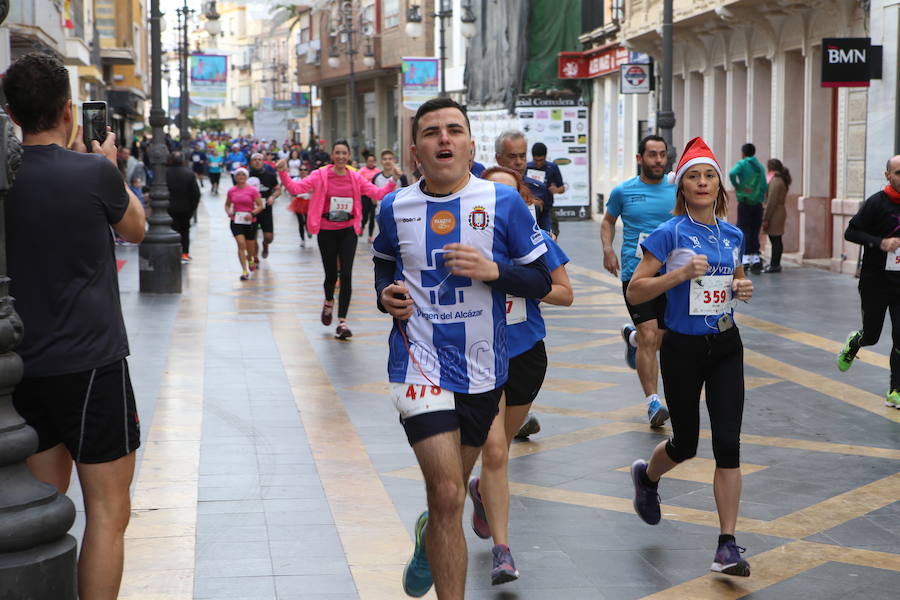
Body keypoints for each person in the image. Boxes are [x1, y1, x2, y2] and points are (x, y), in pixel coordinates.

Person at [373, 97, 551, 599]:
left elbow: (543, 279)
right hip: (418, 364)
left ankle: (430, 534)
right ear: (416, 151)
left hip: (482, 369)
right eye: (432, 132)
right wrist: (385, 297)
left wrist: (497, 271)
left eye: (454, 130)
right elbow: (384, 264)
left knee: (448, 500)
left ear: (471, 145)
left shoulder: (504, 203)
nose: (444, 139)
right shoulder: (394, 206)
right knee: (449, 492)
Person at [4, 51, 146, 600]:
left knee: (41, 507)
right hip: (93, 366)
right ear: (69, 110)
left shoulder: (6, 179)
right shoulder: (94, 173)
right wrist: (107, 163)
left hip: (23, 368)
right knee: (108, 512)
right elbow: (135, 229)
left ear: (12, 114)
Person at [627, 137, 754, 578]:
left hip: (725, 346)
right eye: (694, 177)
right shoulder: (669, 233)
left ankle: (727, 544)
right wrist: (679, 274)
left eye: (709, 176)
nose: (702, 183)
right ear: (682, 187)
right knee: (686, 443)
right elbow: (636, 289)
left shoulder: (733, 234)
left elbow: (736, 280)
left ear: (720, 185)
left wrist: (742, 288)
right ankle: (648, 477)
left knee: (728, 445)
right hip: (681, 349)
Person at [467, 165, 573, 585]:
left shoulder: (539, 243)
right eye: (493, 194)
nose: (502, 202)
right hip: (481, 356)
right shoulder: (469, 244)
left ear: (525, 202)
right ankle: (503, 551)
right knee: (494, 451)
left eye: (511, 195)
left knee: (502, 448)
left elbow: (566, 294)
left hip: (527, 355)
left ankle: (481, 492)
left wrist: (517, 279)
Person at [277, 140, 398, 339]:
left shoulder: (355, 177)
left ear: (349, 156)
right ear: (332, 156)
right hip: (326, 230)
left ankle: (342, 322)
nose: (341, 157)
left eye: (344, 153)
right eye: (337, 153)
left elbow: (377, 193)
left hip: (348, 230)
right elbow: (295, 189)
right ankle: (328, 301)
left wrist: (393, 180)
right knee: (331, 275)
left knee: (347, 275)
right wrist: (282, 172)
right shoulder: (320, 175)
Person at [601, 135, 675, 427]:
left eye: (662, 155)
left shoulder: (676, 189)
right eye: (652, 155)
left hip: (672, 274)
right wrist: (607, 249)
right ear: (639, 158)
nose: (658, 160)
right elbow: (608, 221)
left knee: (661, 337)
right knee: (649, 336)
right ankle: (653, 403)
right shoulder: (624, 191)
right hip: (636, 274)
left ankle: (632, 338)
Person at [837, 155, 900, 408]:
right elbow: (851, 231)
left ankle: (895, 389)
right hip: (875, 282)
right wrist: (881, 243)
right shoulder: (876, 203)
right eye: (898, 173)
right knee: (872, 336)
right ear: (888, 175)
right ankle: (856, 341)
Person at [494, 130, 554, 235]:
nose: (519, 162)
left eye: (522, 156)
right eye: (512, 156)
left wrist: (549, 234)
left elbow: (546, 222)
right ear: (499, 158)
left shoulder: (539, 188)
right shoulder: (487, 189)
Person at [729, 143, 767, 274]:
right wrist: (759, 194)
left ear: (743, 153)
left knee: (744, 229)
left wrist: (738, 186)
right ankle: (755, 258)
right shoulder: (760, 167)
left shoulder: (742, 164)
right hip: (757, 203)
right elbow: (764, 184)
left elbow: (732, 173)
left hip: (745, 201)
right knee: (755, 229)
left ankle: (744, 258)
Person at [225, 167, 264, 280]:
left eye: (243, 175)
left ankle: (250, 258)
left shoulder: (252, 190)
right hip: (236, 221)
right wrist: (229, 212)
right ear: (235, 177)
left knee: (250, 246)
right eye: (238, 175)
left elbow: (260, 205)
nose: (240, 177)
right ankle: (244, 270)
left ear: (246, 177)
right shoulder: (231, 190)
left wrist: (252, 214)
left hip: (250, 221)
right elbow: (227, 204)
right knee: (241, 244)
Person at [166, 150, 201, 263]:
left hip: (169, 208)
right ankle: (184, 254)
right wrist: (192, 208)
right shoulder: (189, 173)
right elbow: (196, 194)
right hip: (186, 209)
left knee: (172, 230)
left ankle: (172, 253)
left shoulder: (165, 173)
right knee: (185, 231)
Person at [369, 149, 410, 243]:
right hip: (380, 212)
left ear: (394, 161)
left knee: (397, 238)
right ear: (381, 162)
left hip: (398, 213)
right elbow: (373, 195)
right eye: (385, 159)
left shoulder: (401, 177)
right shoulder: (376, 177)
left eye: (390, 159)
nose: (387, 161)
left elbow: (407, 195)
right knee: (385, 238)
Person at [247, 152, 282, 262]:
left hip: (266, 208)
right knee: (253, 236)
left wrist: (272, 197)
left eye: (260, 159)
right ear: (251, 162)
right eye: (255, 159)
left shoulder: (269, 174)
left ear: (263, 162)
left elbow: (278, 189)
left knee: (268, 237)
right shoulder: (246, 175)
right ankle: (255, 256)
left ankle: (265, 245)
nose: (257, 161)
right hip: (252, 209)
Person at [528, 142, 563, 237]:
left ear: (545, 156)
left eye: (541, 160)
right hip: (531, 208)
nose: (538, 164)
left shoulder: (552, 168)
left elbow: (562, 188)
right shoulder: (527, 167)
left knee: (552, 234)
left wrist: (556, 190)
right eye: (536, 160)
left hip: (547, 208)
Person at [762, 159, 791, 273]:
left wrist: (766, 218)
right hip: (779, 211)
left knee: (775, 239)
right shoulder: (780, 179)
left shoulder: (776, 181)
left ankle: (775, 264)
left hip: (775, 213)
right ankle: (775, 263)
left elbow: (771, 201)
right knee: (776, 239)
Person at [289, 164, 312, 247]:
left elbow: (315, 190)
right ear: (299, 171)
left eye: (305, 170)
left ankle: (309, 230)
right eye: (301, 170)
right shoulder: (295, 180)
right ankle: (302, 240)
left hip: (308, 201)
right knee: (300, 222)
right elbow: (292, 191)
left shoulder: (311, 179)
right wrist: (292, 200)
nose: (303, 171)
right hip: (298, 201)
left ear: (307, 171)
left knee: (308, 220)